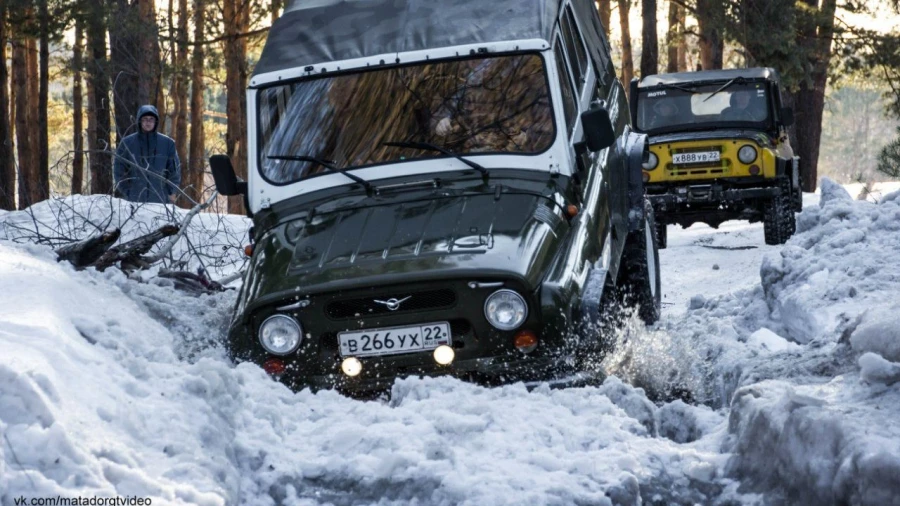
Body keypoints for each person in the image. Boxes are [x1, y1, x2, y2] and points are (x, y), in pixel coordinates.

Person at [113, 105, 181, 204]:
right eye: (145, 119)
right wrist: (128, 191)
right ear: (139, 121)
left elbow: (174, 171)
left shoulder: (167, 143)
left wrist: (170, 192)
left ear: (156, 121)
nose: (148, 122)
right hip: (134, 201)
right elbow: (119, 170)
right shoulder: (127, 143)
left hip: (161, 202)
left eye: (151, 119)